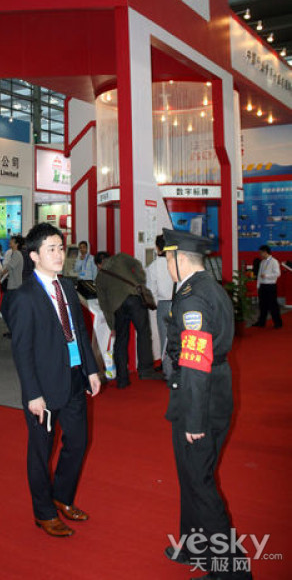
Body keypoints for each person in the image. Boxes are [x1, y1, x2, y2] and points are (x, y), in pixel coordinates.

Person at [162, 227, 252, 580]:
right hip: (214, 389)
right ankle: (193, 546)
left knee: (199, 482)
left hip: (199, 397)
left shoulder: (192, 299)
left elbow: (195, 363)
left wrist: (194, 420)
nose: (167, 265)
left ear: (179, 259)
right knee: (190, 475)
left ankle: (231, 571)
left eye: (167, 259)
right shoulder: (210, 287)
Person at [9, 223, 100, 538]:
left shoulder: (68, 288)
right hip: (44, 389)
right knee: (41, 452)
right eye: (51, 249)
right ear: (34, 255)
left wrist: (91, 370)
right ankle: (44, 512)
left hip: (74, 379)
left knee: (78, 441)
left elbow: (80, 333)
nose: (59, 254)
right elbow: (22, 351)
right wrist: (32, 394)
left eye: (61, 247)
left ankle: (62, 496)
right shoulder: (24, 297)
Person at [95, 251, 161, 388]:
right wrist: (139, 281)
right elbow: (137, 264)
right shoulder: (120, 257)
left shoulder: (99, 277)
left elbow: (104, 304)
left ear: (99, 265)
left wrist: (111, 325)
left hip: (117, 308)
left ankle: (122, 378)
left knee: (121, 340)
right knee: (143, 334)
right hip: (135, 298)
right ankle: (145, 370)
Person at [146, 234, 174, 377]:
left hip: (163, 304)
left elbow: (152, 291)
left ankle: (168, 372)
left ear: (157, 248)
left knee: (165, 339)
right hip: (178, 303)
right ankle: (180, 371)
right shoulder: (177, 262)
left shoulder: (153, 267)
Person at [252, 244, 282, 328]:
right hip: (262, 286)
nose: (260, 254)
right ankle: (261, 322)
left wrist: (267, 276)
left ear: (265, 252)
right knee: (262, 305)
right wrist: (258, 286)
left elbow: (278, 274)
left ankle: (278, 323)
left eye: (261, 253)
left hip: (271, 286)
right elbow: (259, 275)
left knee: (273, 305)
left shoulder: (274, 261)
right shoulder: (262, 262)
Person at [0, 234, 24, 336]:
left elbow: (8, 268)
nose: (10, 242)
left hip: (14, 287)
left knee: (5, 309)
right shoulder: (14, 254)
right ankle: (13, 331)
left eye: (12, 241)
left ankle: (14, 331)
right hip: (12, 286)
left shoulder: (17, 254)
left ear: (16, 244)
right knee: (8, 309)